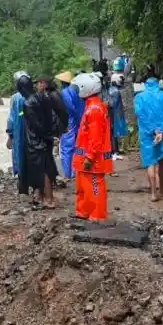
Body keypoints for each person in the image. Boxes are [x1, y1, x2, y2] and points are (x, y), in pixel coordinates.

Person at [71, 72, 113, 221]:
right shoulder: (92, 106)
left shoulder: (94, 109)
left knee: (94, 188)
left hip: (92, 159)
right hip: (84, 157)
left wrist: (89, 157)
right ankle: (83, 211)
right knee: (83, 187)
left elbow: (96, 138)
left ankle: (97, 215)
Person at [135, 66, 163, 202]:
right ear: (158, 82)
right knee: (162, 161)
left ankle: (153, 193)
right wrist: (162, 131)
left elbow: (140, 115)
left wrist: (153, 130)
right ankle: (162, 189)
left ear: (145, 83)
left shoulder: (139, 97)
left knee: (150, 162)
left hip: (147, 134)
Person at [19, 75, 59, 207]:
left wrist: (41, 136)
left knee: (42, 171)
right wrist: (50, 134)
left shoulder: (28, 103)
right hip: (45, 138)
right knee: (46, 168)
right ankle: (42, 197)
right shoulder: (43, 97)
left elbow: (35, 125)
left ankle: (48, 199)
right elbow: (49, 117)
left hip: (36, 140)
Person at [56, 71, 82, 182]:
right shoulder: (75, 91)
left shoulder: (65, 93)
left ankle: (68, 173)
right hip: (76, 121)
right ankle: (75, 170)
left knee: (66, 148)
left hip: (69, 121)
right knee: (76, 146)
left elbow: (70, 108)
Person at [6, 70, 30, 176]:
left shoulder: (16, 98)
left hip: (19, 131)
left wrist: (10, 136)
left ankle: (22, 179)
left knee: (19, 154)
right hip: (33, 132)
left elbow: (11, 118)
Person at [105, 73, 128, 160]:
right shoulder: (115, 91)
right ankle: (114, 150)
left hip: (113, 113)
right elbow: (112, 104)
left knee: (113, 132)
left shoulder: (112, 89)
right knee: (113, 133)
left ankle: (114, 150)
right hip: (114, 114)